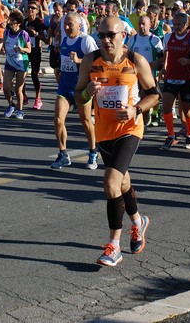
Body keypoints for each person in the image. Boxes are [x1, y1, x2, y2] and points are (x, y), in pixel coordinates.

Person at [75, 16, 159, 266]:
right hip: (104, 131)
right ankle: (138, 221)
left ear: (123, 35)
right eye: (101, 35)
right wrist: (87, 92)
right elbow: (78, 97)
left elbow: (154, 95)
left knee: (111, 183)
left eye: (110, 35)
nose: (105, 40)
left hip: (130, 129)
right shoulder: (91, 61)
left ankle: (114, 246)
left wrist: (136, 110)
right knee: (122, 182)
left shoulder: (136, 61)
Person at [51, 12, 99, 170]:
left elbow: (98, 64)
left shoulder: (86, 40)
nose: (66, 27)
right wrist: (59, 69)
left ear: (79, 25)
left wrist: (79, 61)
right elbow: (64, 59)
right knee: (58, 120)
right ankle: (63, 154)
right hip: (64, 87)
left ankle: (93, 151)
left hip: (81, 89)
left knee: (85, 121)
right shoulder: (65, 39)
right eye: (65, 24)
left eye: (70, 24)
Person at [160, 12, 190, 150]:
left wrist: (188, 61)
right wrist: (164, 68)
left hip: (186, 79)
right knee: (166, 107)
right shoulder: (168, 37)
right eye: (174, 24)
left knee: (188, 111)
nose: (176, 27)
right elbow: (166, 53)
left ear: (186, 25)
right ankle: (171, 135)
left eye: (179, 24)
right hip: (171, 78)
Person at [2, 10, 32, 120]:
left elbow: (29, 50)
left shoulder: (23, 34)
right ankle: (11, 105)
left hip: (21, 63)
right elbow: (4, 44)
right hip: (9, 63)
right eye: (10, 20)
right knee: (5, 87)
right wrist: (3, 50)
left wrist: (21, 49)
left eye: (13, 20)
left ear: (18, 23)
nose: (10, 22)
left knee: (19, 89)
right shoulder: (6, 32)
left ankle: (20, 110)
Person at [23, 0, 48, 110]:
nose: (30, 10)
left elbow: (46, 40)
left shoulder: (39, 23)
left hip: (35, 51)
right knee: (21, 74)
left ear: (37, 10)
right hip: (24, 51)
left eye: (33, 8)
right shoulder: (24, 22)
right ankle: (23, 96)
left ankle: (38, 99)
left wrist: (36, 34)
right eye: (29, 8)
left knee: (34, 75)